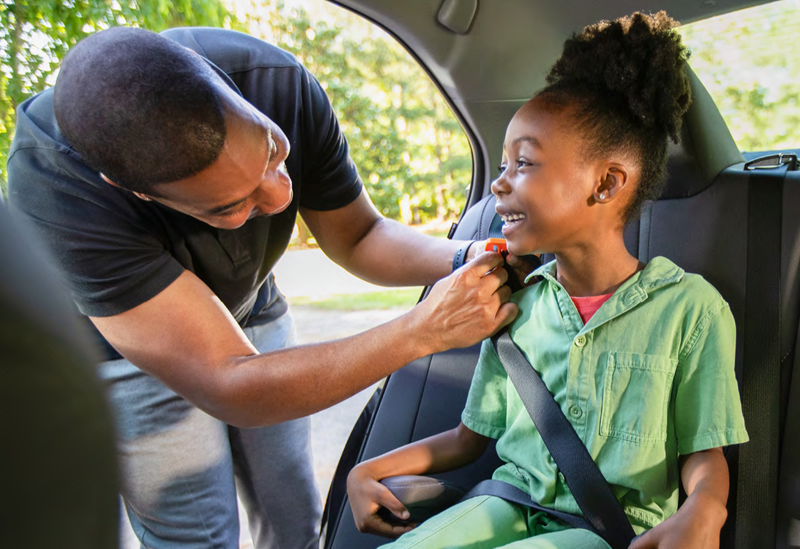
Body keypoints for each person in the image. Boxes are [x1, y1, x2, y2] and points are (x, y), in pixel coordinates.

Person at [6, 27, 518, 549]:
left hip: (253, 306)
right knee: (197, 534)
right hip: (136, 352)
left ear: (230, 87)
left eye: (273, 151)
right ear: (135, 191)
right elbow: (228, 380)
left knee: (291, 510)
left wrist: (468, 256)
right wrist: (422, 331)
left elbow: (360, 235)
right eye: (231, 206)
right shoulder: (54, 185)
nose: (280, 199)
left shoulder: (278, 82)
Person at [346, 11, 749, 549]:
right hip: (507, 502)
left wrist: (706, 510)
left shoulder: (690, 310)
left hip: (612, 530)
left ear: (605, 184)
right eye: (503, 165)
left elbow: (705, 453)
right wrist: (368, 469)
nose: (498, 183)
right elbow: (469, 438)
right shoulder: (518, 306)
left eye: (524, 164)